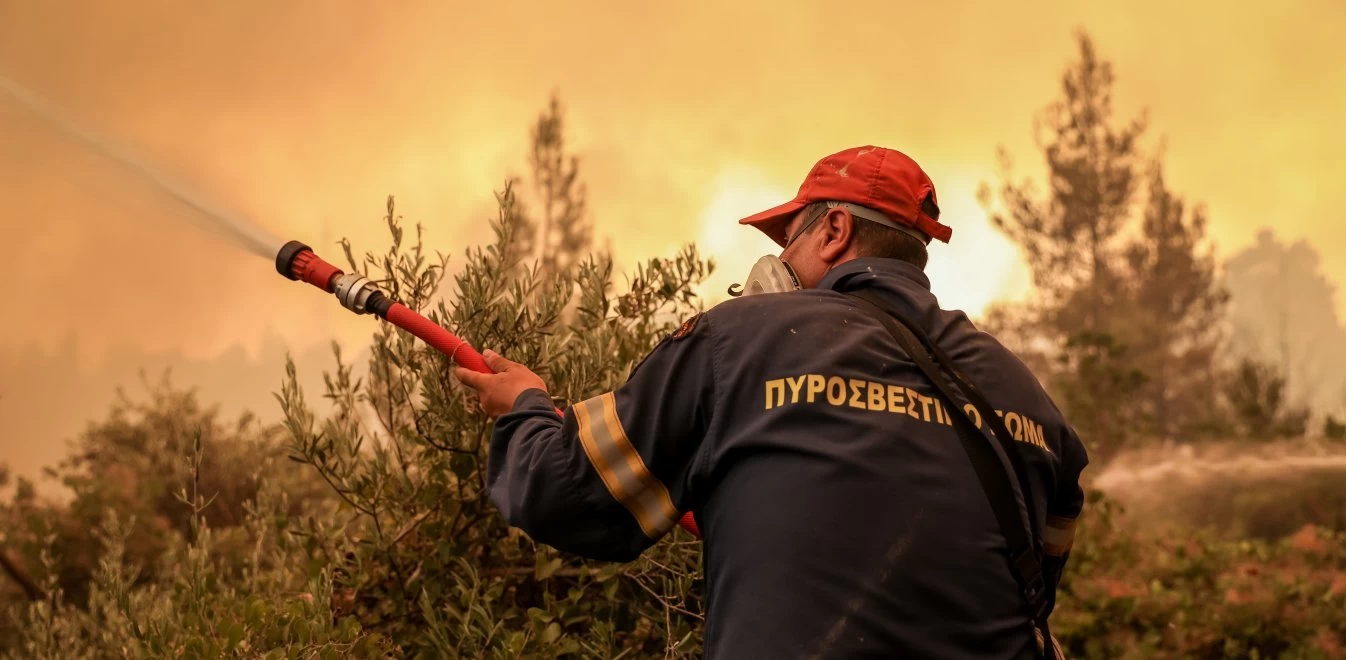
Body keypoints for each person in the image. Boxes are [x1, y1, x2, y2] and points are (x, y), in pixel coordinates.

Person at [454, 145, 1088, 659]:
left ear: (834, 231)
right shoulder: (1022, 390)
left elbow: (565, 494)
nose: (778, 259)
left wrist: (527, 408)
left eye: (790, 238)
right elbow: (1031, 579)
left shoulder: (739, 340)